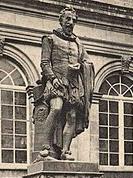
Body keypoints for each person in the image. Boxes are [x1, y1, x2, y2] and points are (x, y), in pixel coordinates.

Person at [35, 6, 94, 161]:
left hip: (74, 84)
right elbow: (45, 62)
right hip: (57, 80)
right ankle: (45, 146)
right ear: (61, 20)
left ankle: (66, 151)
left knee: (72, 117)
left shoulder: (78, 43)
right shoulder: (50, 38)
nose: (71, 22)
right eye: (68, 19)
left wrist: (81, 67)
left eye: (73, 20)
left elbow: (87, 62)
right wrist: (53, 78)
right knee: (56, 108)